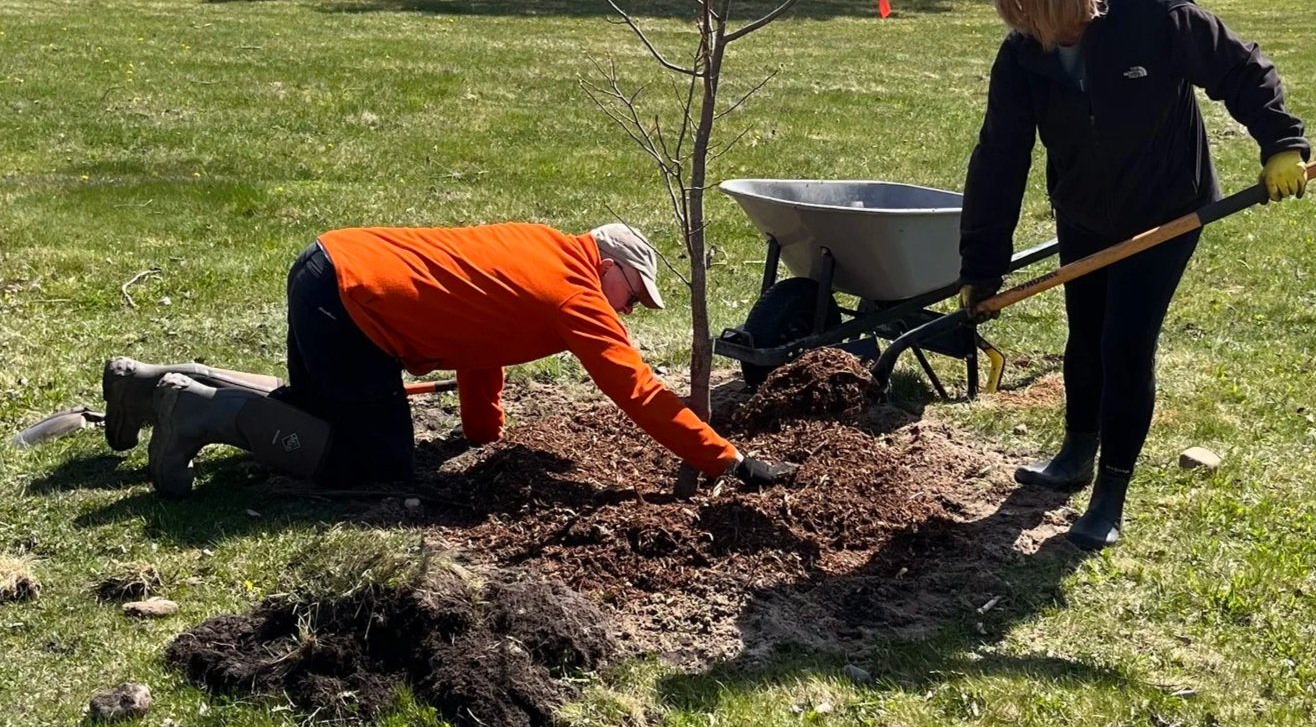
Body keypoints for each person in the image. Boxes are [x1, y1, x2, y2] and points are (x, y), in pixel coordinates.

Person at [957, 0, 1310, 551]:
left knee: (1125, 343)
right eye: (1020, 6)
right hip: (1085, 210)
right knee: (1085, 338)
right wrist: (982, 264)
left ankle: (1110, 494)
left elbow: (1241, 69)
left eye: (1040, 4)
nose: (1033, 20)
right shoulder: (1022, 57)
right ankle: (1076, 452)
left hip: (1166, 210)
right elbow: (999, 158)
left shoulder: (1153, 17)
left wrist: (1281, 143)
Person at [102, 222, 796, 499]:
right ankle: (195, 412)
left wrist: (482, 432)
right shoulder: (573, 295)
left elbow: (479, 341)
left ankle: (150, 385)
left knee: (318, 411)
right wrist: (726, 460)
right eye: (631, 294)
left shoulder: (541, 247)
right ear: (607, 263)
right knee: (371, 465)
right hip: (355, 309)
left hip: (327, 266)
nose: (627, 311)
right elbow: (639, 391)